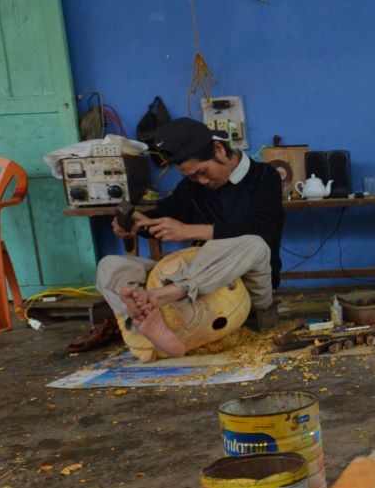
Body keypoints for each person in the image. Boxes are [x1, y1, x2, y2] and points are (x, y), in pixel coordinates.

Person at [79, 118, 285, 357]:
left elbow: (263, 230)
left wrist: (188, 231)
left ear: (219, 150)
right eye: (192, 177)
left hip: (243, 282)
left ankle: (161, 297)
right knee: (110, 265)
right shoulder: (193, 187)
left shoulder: (264, 176)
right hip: (195, 283)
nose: (202, 182)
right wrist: (135, 224)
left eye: (202, 172)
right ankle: (141, 324)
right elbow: (163, 216)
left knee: (254, 243)